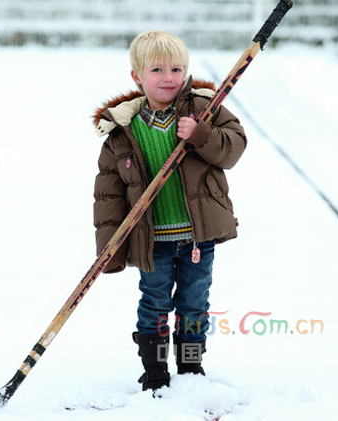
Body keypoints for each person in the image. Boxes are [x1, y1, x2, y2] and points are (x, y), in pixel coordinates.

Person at [92, 30, 247, 393]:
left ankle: (191, 366)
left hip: (197, 236)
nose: (169, 78)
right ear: (137, 77)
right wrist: (109, 247)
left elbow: (234, 147)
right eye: (157, 70)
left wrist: (201, 134)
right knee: (154, 301)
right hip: (152, 239)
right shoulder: (123, 131)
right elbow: (108, 194)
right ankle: (155, 369)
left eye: (177, 69)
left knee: (195, 301)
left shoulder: (204, 109)